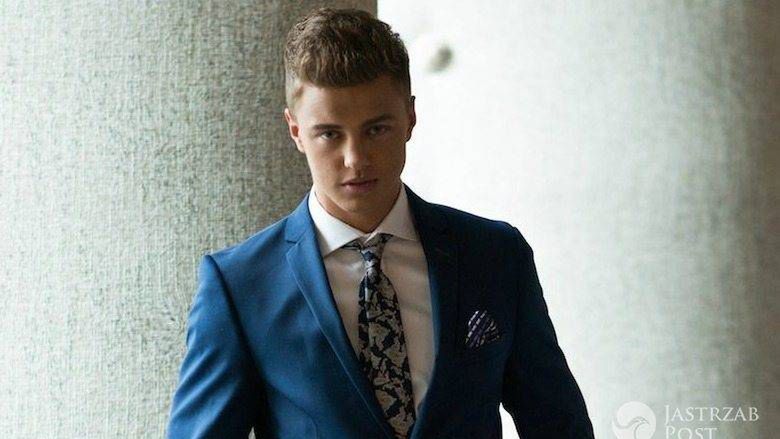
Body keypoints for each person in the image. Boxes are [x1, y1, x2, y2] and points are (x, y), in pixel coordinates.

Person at [166, 7, 594, 439]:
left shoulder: (495, 255)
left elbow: (559, 425)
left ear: (410, 117)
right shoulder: (241, 285)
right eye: (329, 134)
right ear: (295, 131)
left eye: (376, 130)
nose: (355, 159)